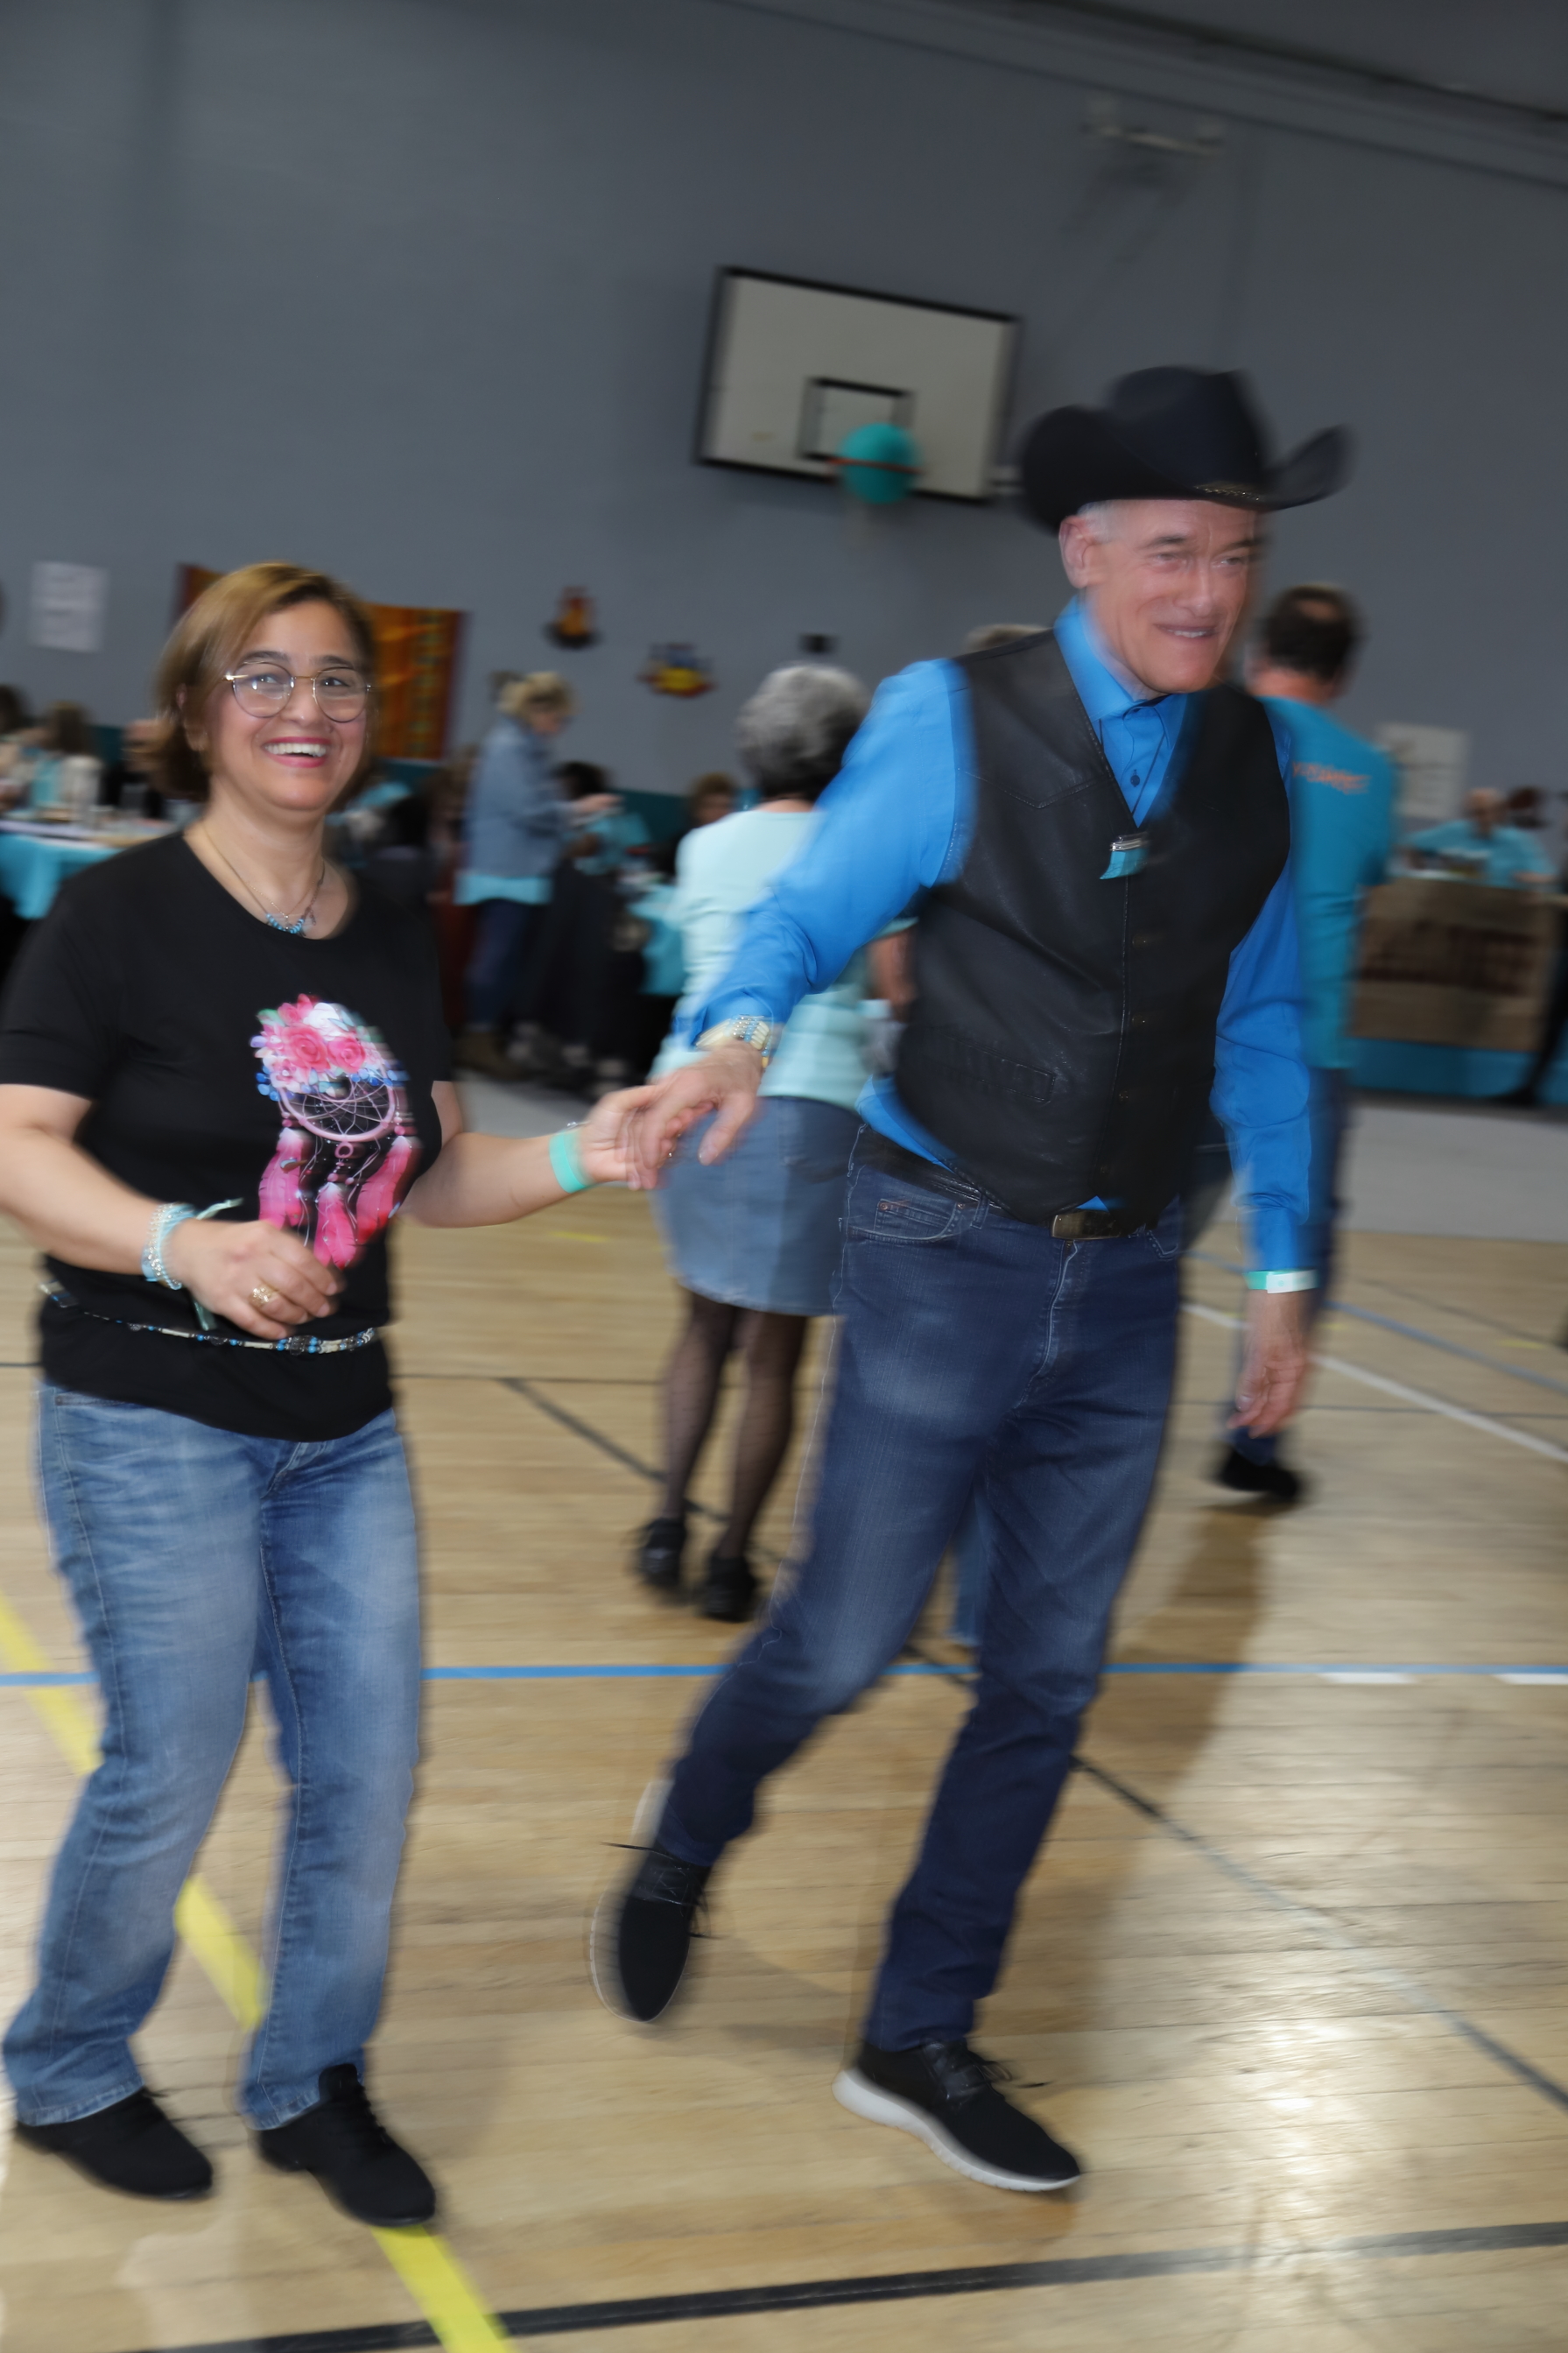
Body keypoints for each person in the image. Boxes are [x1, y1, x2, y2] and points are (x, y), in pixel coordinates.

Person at [594, 366, 1346, 2194]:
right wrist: (734, 1026)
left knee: (1048, 1677)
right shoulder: (952, 718)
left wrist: (1285, 1262)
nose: (1206, 592)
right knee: (848, 1637)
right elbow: (801, 914)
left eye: (1234, 558)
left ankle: (918, 2031)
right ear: (1084, 548)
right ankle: (691, 1822)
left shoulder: (1253, 761)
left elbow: (1262, 1019)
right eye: (1172, 552)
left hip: (1130, 1273)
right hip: (942, 1246)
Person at [0, 564, 638, 2223]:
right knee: (173, 1757)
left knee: (366, 1763)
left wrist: (589, 1150)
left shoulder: (393, 925)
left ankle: (311, 2078)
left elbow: (434, 1170)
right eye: (264, 676)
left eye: (337, 680)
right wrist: (182, 1244)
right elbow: (16, 1142)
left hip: (344, 1428)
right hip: (149, 1413)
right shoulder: (118, 915)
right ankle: (70, 2064)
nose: (306, 707)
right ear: (196, 710)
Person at [632, 666, 871, 1622]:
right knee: (772, 1357)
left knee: (701, 1326)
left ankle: (665, 1526)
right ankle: (731, 1561)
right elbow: (891, 981)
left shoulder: (704, 844)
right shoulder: (860, 849)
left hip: (690, 1096)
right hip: (811, 1100)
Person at [1213, 584, 1396, 1502]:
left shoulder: (1207, 730)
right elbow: (1367, 873)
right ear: (1344, 674)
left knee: (1126, 1226)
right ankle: (1253, 1441)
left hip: (1187, 1027)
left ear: (1258, 653)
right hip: (1305, 1042)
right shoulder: (1370, 771)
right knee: (1294, 1249)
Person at [452, 673, 615, 1079]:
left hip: (521, 868)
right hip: (505, 868)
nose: (559, 728)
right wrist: (580, 810)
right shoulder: (508, 748)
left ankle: (489, 1034)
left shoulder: (528, 747)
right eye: (557, 718)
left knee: (508, 960)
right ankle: (478, 1035)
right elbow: (528, 811)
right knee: (498, 956)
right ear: (536, 709)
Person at [1406, 788, 1553, 889]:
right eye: (1472, 813)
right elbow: (1410, 845)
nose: (1476, 819)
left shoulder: (1518, 842)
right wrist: (1422, 878)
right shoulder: (1455, 831)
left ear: (1497, 814)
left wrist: (1528, 880)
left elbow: (1548, 877)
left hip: (1499, 911)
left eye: (1482, 813)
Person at [100, 716, 165, 817]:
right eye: (132, 745)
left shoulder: (171, 780)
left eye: (143, 745)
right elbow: (105, 809)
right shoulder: (116, 774)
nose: (136, 751)